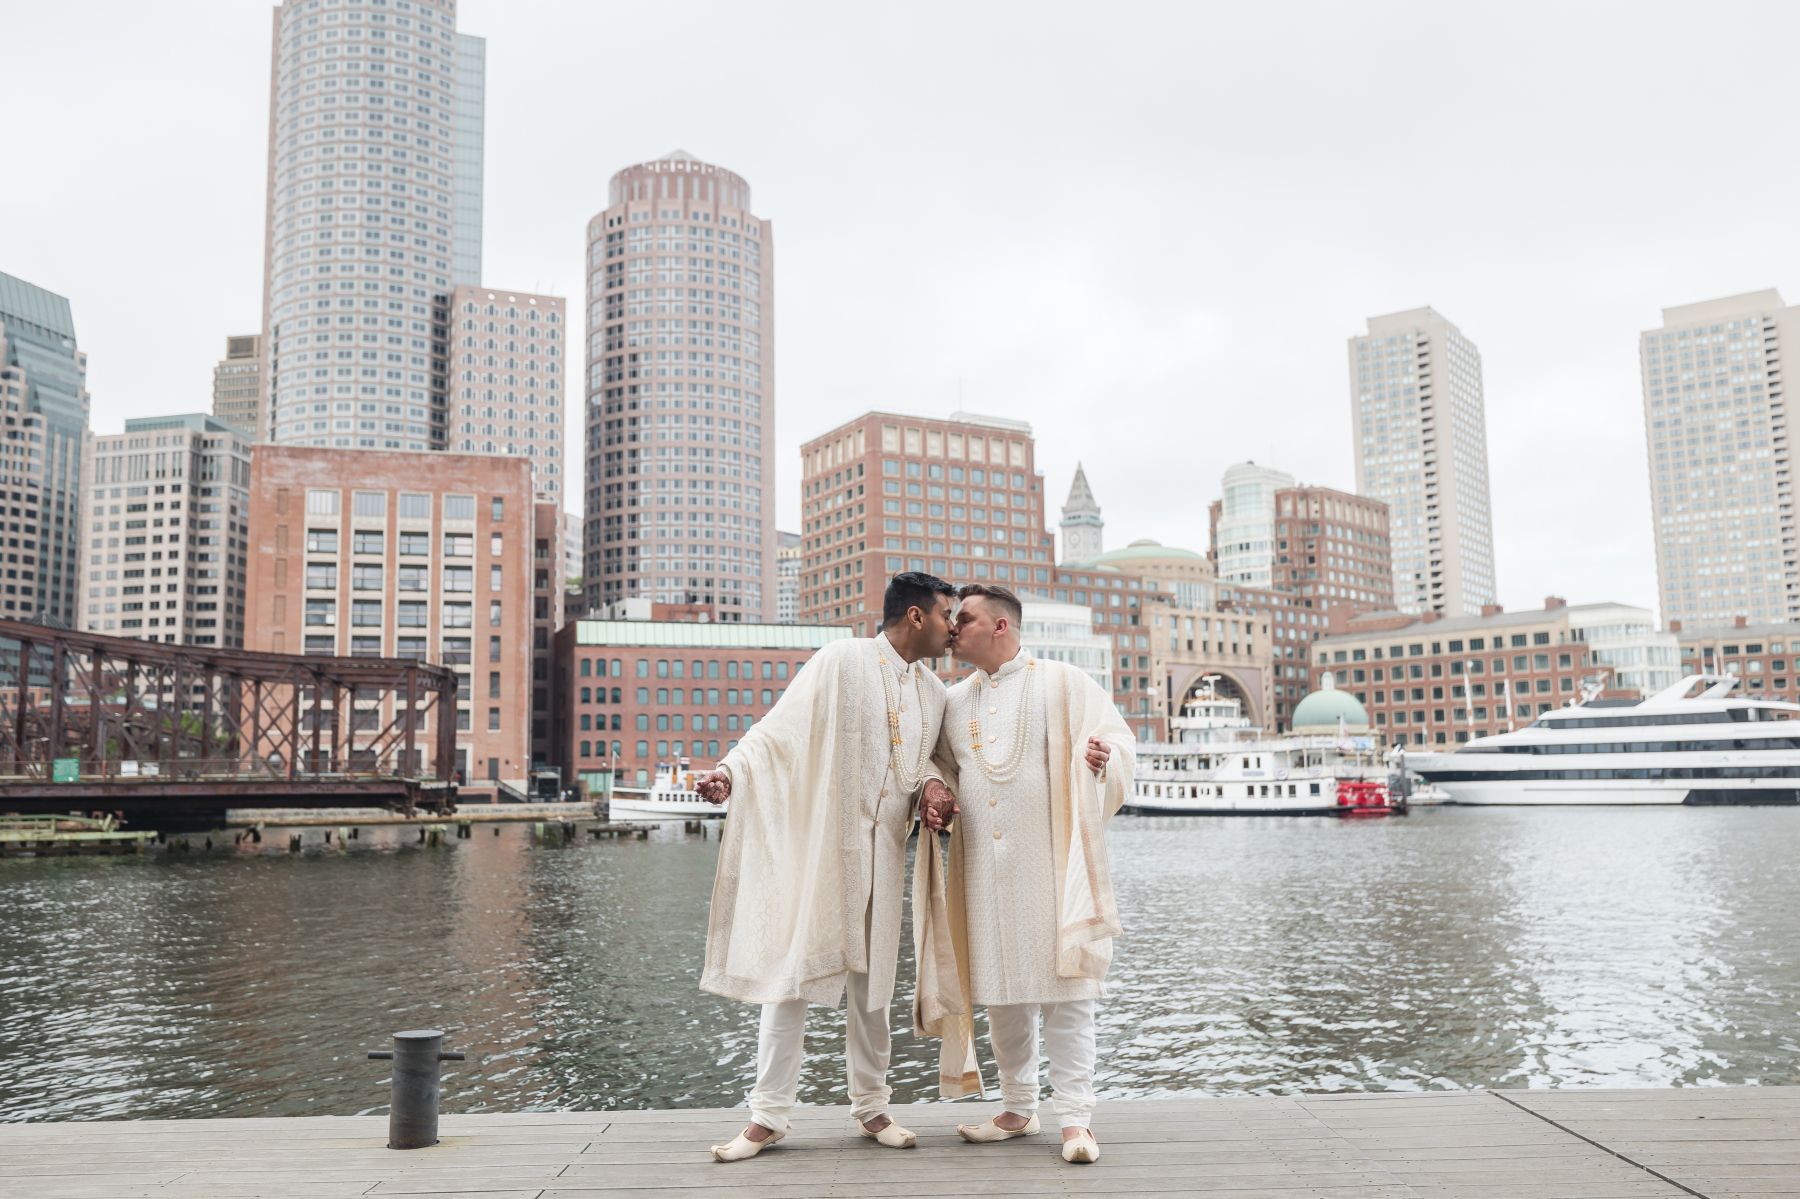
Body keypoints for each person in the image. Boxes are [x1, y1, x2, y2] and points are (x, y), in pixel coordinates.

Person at [695, 572, 960, 1162]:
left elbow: (929, 767)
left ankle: (872, 1106)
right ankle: (767, 1116)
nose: (952, 628)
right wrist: (730, 773)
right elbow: (778, 733)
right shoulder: (840, 661)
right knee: (792, 981)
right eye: (947, 614)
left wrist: (934, 790)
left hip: (885, 856)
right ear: (916, 617)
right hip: (826, 852)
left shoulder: (934, 693)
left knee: (873, 991)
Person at [918, 583, 1134, 1165]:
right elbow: (933, 766)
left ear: (1001, 627)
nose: (953, 627)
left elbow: (1118, 740)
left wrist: (1103, 761)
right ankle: (1016, 1108)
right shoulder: (953, 700)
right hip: (984, 872)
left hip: (1052, 864)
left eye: (964, 618)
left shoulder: (1063, 683)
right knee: (1002, 994)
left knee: (1069, 995)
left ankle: (1076, 1121)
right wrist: (933, 790)